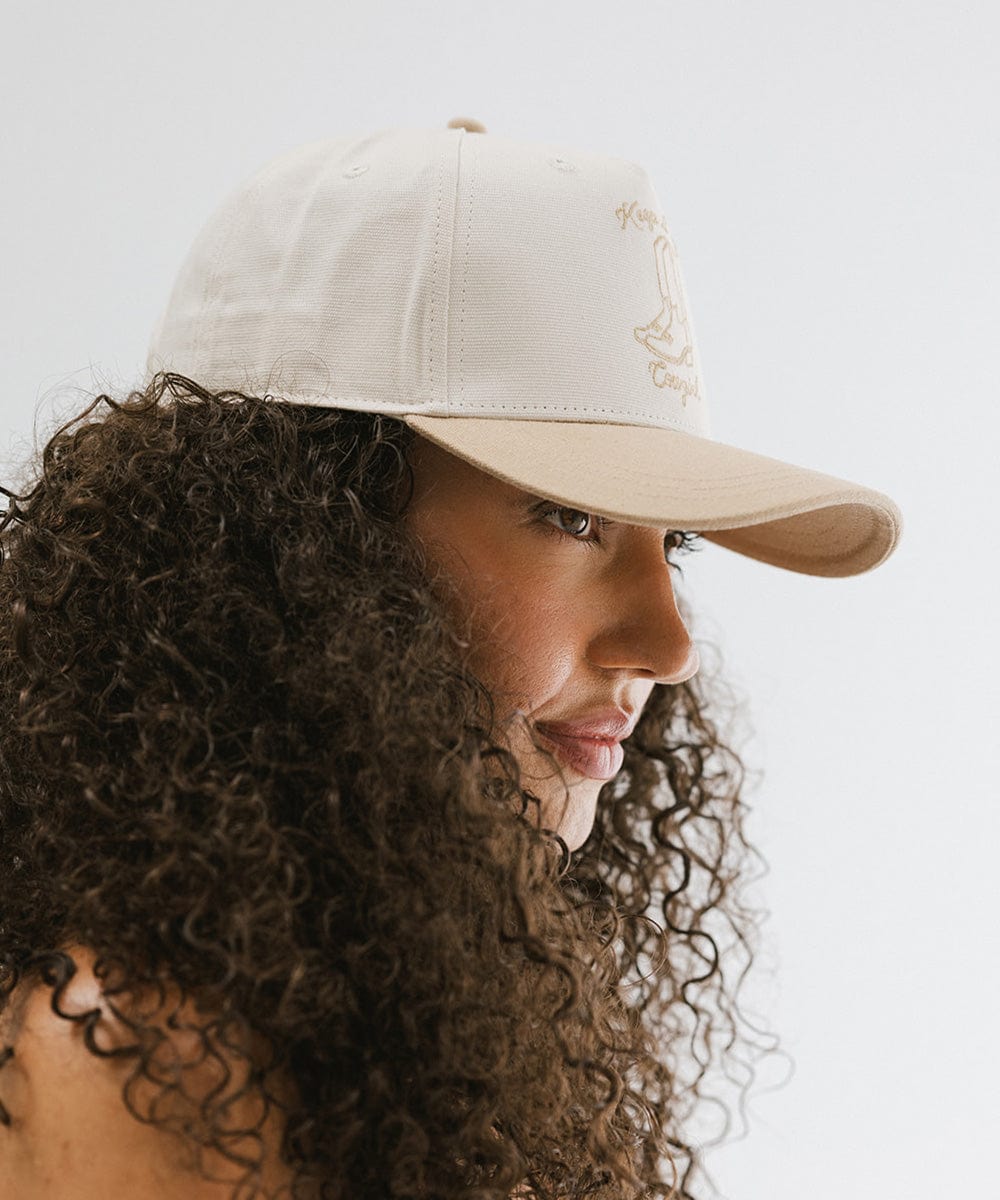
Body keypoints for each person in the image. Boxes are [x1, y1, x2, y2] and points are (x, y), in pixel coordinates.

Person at [0, 118, 902, 1200]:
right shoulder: (147, 1062)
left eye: (673, 547)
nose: (670, 649)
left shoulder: (432, 1034)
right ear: (298, 542)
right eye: (571, 517)